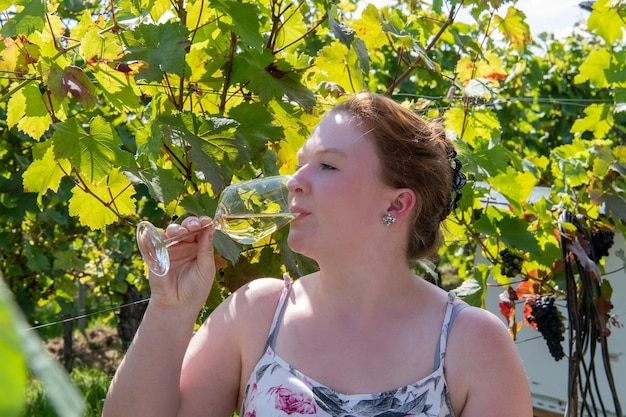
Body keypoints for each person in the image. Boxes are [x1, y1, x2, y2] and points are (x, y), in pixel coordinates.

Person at [103, 92, 533, 417]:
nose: (295, 180)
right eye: (301, 163)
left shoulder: (472, 343)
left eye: (327, 166)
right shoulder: (257, 312)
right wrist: (170, 308)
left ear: (396, 205)